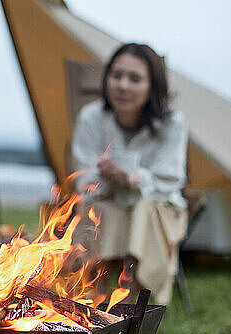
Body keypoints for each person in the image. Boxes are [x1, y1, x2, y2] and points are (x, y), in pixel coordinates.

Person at [72, 43, 188, 304]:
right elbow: (83, 179)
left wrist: (135, 180)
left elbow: (169, 182)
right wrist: (107, 177)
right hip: (108, 201)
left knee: (144, 210)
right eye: (117, 75)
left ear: (152, 86)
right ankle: (90, 297)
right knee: (94, 208)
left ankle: (133, 301)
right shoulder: (91, 117)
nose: (123, 86)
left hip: (157, 208)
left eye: (135, 79)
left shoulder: (172, 123)